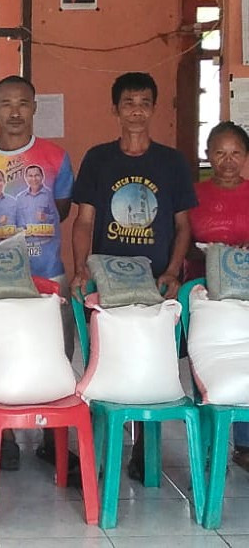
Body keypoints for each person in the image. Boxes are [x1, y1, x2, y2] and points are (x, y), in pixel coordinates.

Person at [72, 71, 197, 481]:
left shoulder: (172, 163)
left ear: (154, 108)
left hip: (155, 284)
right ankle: (98, 452)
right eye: (129, 103)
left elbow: (182, 226)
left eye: (144, 103)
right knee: (103, 363)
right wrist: (81, 268)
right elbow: (84, 221)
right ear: (116, 109)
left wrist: (173, 272)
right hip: (107, 284)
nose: (137, 111)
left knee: (152, 364)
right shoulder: (98, 159)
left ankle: (144, 448)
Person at [0, 75, 74, 472]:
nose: (15, 112)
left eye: (23, 103)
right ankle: (3, 438)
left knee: (55, 355)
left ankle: (52, 438)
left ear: (34, 107)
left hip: (48, 275)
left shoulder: (57, 158)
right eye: (6, 103)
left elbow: (60, 210)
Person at [187, 120, 249, 472]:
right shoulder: (193, 194)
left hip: (244, 296)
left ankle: (245, 443)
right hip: (201, 293)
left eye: (235, 153)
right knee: (206, 365)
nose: (227, 161)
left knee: (243, 364)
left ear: (246, 156)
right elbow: (182, 241)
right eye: (220, 153)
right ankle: (207, 443)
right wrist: (212, 254)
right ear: (208, 154)